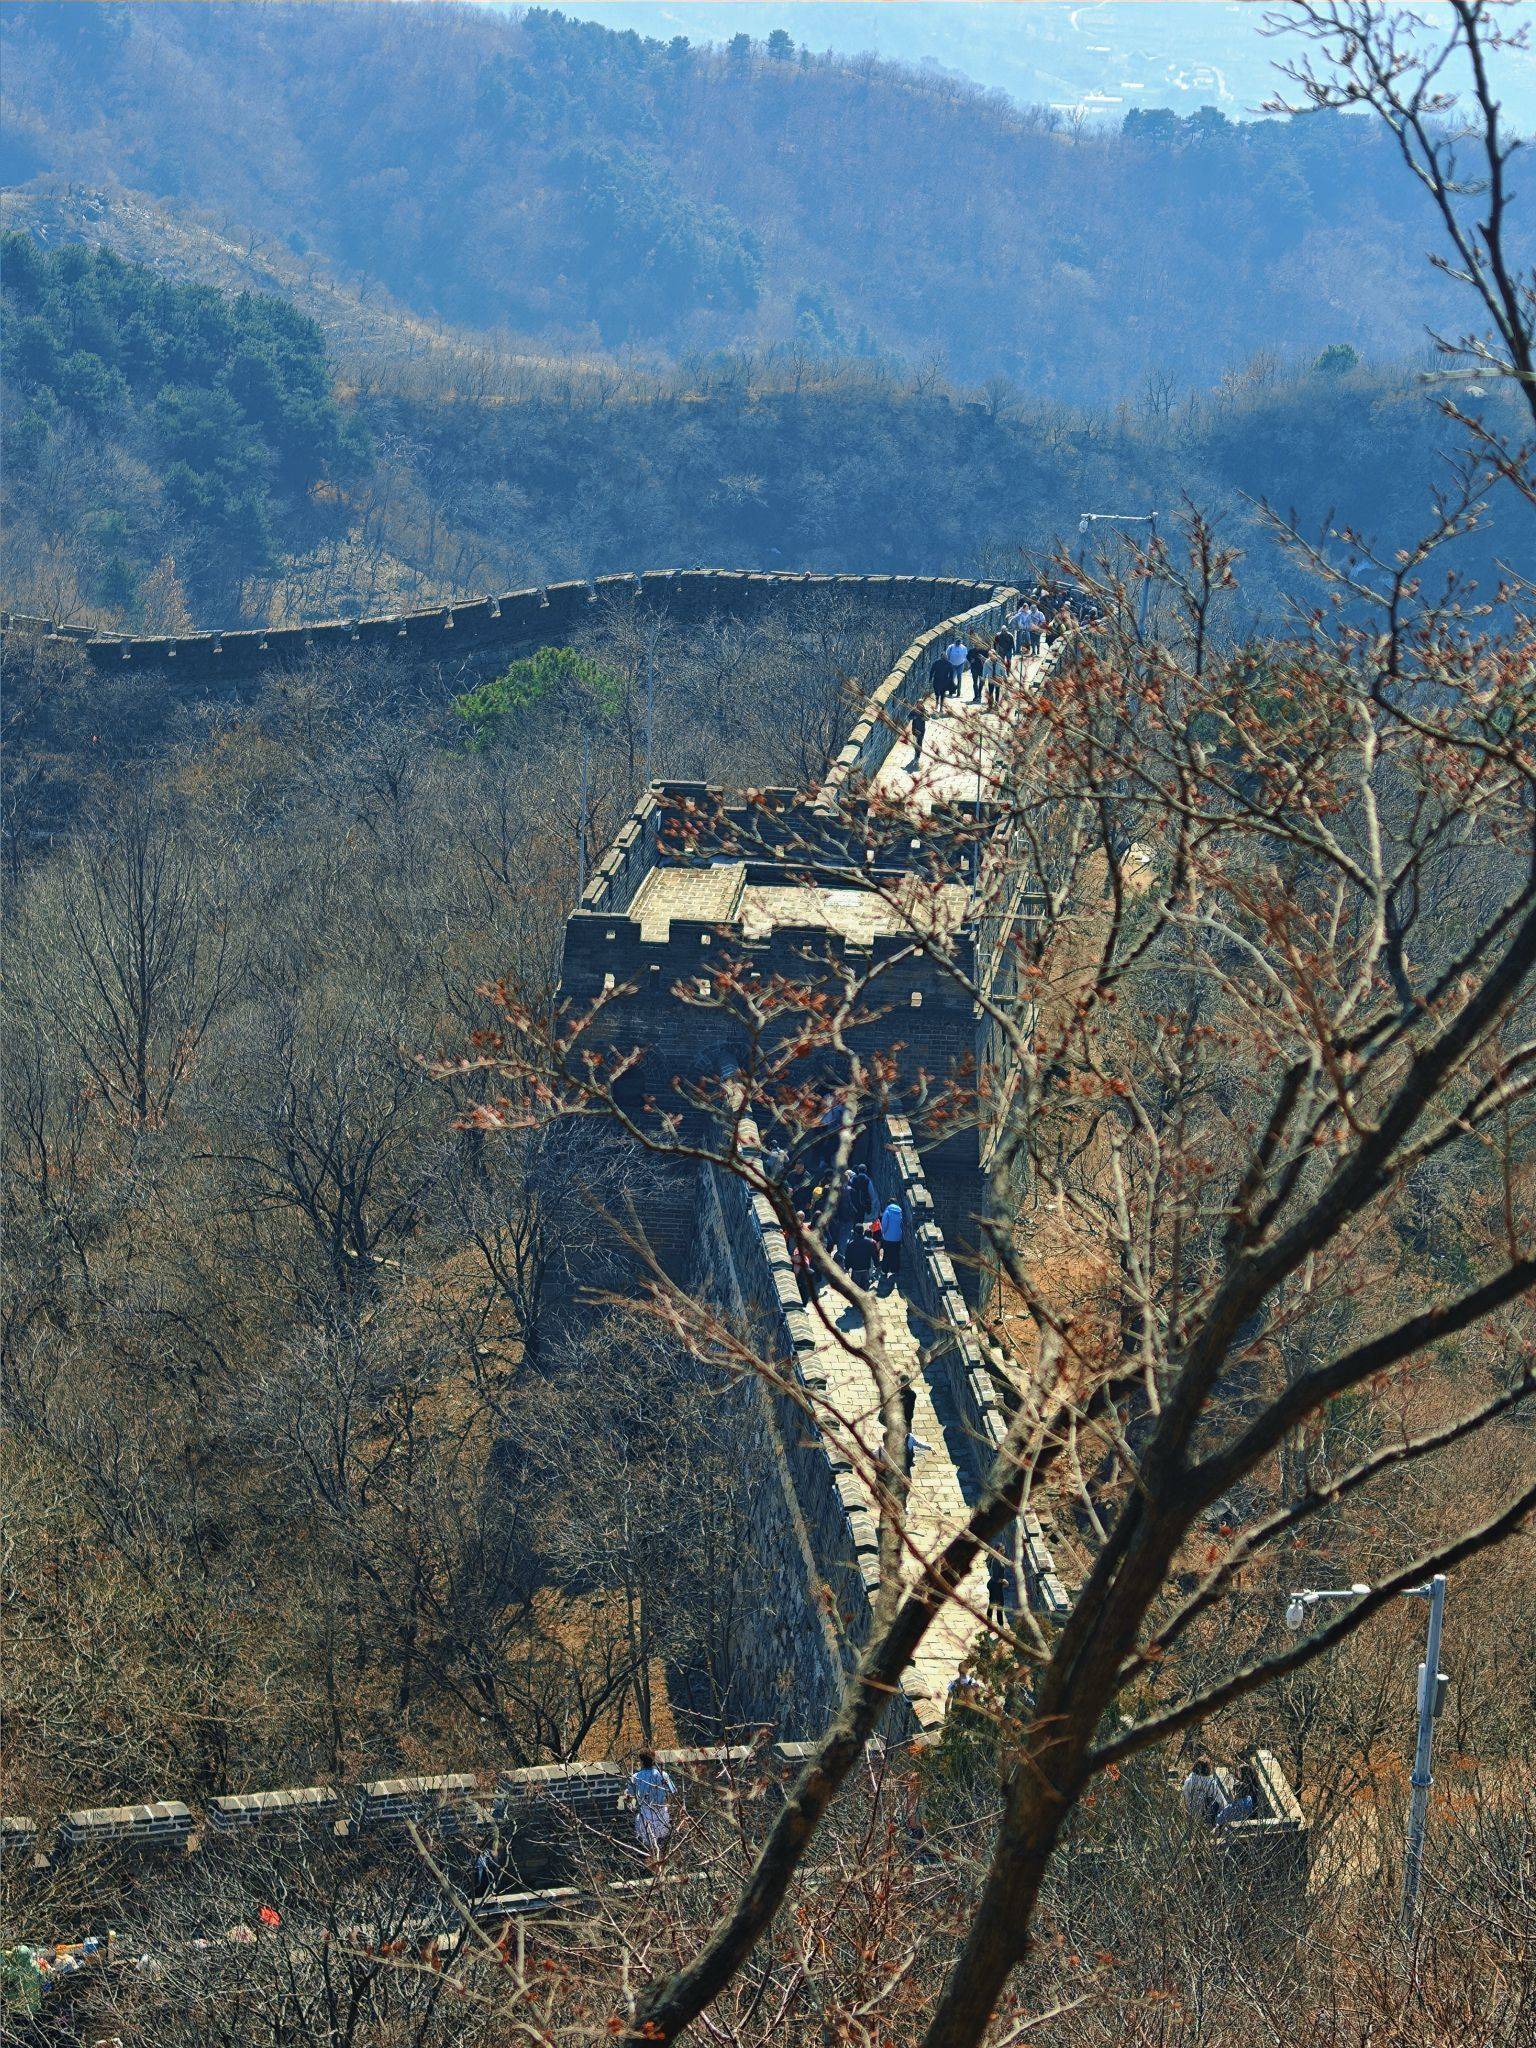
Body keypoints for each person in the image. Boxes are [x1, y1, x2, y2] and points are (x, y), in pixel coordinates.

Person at [630, 1749, 680, 1856]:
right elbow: (672, 1792)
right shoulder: (663, 1775)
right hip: (661, 1812)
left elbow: (630, 1797)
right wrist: (668, 1805)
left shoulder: (635, 1777)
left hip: (645, 1813)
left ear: (642, 1762)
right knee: (663, 1844)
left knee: (647, 1847)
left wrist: (634, 1808)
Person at [1181, 1757, 1223, 1828]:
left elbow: (1185, 1798)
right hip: (1207, 1817)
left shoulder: (1189, 1781)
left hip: (1192, 1815)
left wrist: (1189, 1811)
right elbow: (1220, 1800)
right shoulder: (1211, 1782)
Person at [1216, 1762, 1261, 1827]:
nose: (1237, 1774)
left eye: (1239, 1772)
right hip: (1252, 1823)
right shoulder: (1255, 1788)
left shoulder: (1243, 1788)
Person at [879, 1198, 904, 1279]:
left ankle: (884, 1270)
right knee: (895, 1254)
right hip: (897, 1238)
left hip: (888, 1238)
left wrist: (883, 1233)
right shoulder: (900, 1212)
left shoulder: (887, 1212)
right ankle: (895, 1270)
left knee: (887, 1254)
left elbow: (884, 1225)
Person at [945, 635, 968, 701]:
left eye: (959, 642)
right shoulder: (951, 647)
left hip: (960, 664)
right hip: (952, 664)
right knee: (951, 678)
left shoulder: (964, 648)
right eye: (957, 641)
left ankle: (958, 692)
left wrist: (964, 662)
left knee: (959, 678)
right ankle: (951, 692)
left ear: (961, 642)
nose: (958, 643)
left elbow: (965, 656)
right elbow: (947, 655)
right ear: (955, 641)